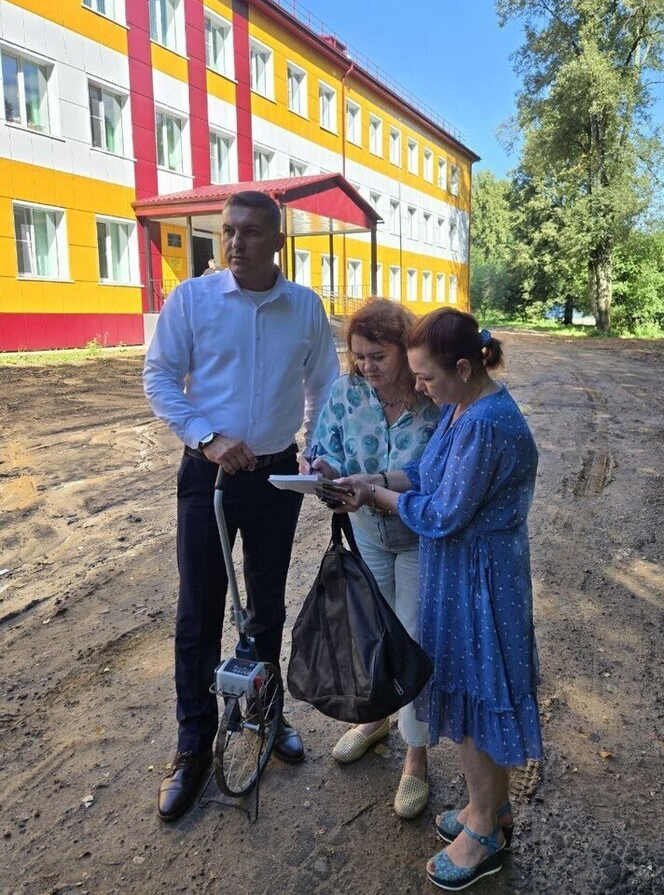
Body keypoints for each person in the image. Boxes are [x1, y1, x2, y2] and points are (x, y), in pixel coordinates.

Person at [143, 190, 339, 822]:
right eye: (228, 232)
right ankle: (193, 743)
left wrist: (318, 449)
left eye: (251, 233)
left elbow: (325, 385)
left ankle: (262, 711)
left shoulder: (304, 307)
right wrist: (207, 437)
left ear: (277, 242)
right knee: (198, 610)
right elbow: (159, 376)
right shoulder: (193, 301)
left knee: (267, 604)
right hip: (209, 474)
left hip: (277, 474)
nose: (234, 244)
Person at [335, 308, 542, 890]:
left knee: (479, 697)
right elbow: (424, 474)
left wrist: (375, 496)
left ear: (461, 365)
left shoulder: (485, 423)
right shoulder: (464, 408)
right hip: (467, 573)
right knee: (476, 686)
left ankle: (481, 831)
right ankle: (492, 809)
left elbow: (444, 512)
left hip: (481, 577)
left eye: (425, 376)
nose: (418, 385)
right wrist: (370, 481)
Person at [299, 297, 440, 819]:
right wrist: (320, 467)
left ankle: (416, 758)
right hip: (366, 534)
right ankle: (374, 718)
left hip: (421, 541)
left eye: (377, 355)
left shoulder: (434, 397)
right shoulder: (347, 391)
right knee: (370, 632)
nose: (366, 367)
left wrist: (373, 485)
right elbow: (328, 446)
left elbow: (436, 476)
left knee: (413, 640)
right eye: (359, 355)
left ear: (406, 351)